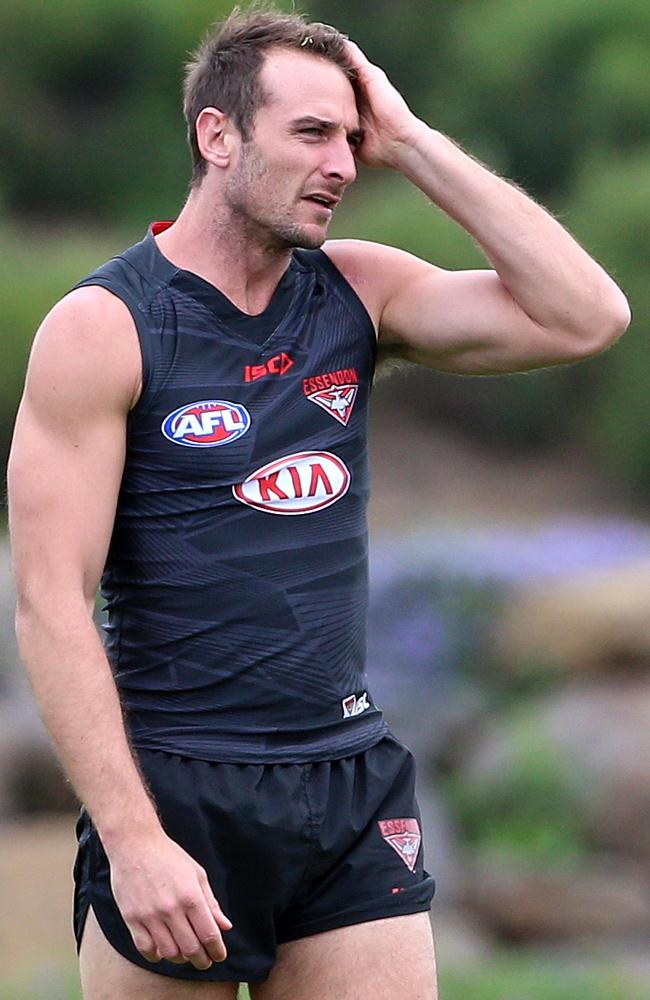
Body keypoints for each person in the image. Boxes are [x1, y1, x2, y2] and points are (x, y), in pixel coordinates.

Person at [8, 6, 630, 1000]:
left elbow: (586, 314)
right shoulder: (103, 328)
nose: (342, 162)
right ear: (217, 136)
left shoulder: (358, 292)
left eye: (351, 137)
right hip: (178, 793)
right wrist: (132, 840)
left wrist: (414, 142)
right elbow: (48, 601)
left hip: (345, 785)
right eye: (310, 133)